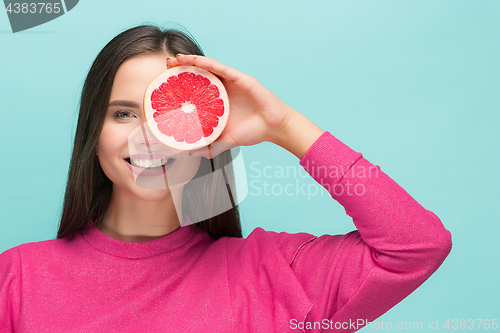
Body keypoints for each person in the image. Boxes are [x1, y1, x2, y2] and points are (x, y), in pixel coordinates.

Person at [0, 24, 452, 332]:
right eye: (123, 114)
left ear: (206, 137)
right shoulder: (17, 278)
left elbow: (415, 248)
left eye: (172, 114)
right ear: (92, 135)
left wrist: (285, 127)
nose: (149, 136)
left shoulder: (275, 274)